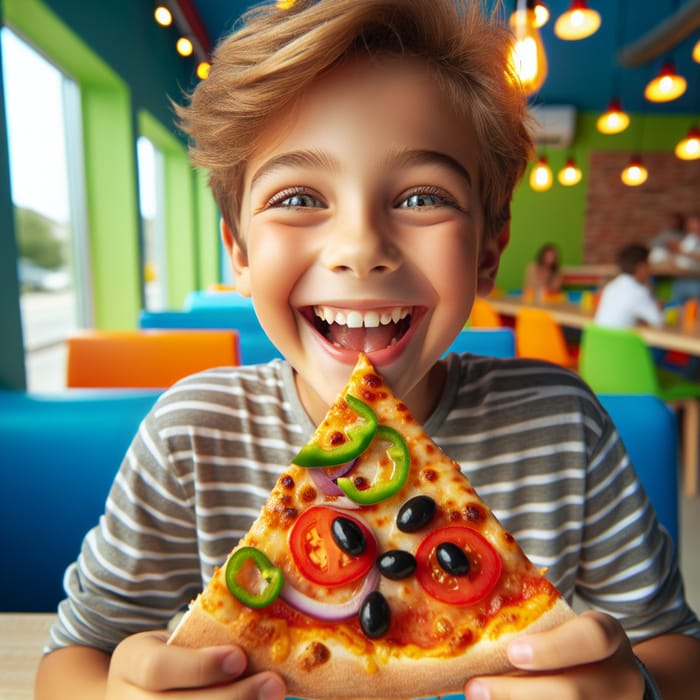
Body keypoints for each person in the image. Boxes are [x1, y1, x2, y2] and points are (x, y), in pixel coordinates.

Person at [36, 1, 700, 699]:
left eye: (421, 198)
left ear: (488, 250)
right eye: (296, 196)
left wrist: (637, 687)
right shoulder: (192, 436)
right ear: (238, 250)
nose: (359, 248)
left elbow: (674, 649)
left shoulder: (563, 427)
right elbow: (69, 661)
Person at [594, 243, 663, 329]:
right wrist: (658, 308)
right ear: (641, 267)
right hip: (622, 342)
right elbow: (658, 322)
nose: (650, 270)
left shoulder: (611, 286)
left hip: (597, 341)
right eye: (648, 265)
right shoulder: (638, 291)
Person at [670, 213, 700, 305]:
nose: (693, 228)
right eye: (690, 225)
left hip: (696, 280)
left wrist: (683, 252)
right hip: (681, 278)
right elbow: (679, 257)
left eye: (695, 224)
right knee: (675, 307)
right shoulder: (689, 239)